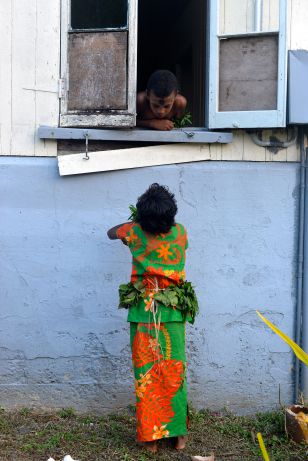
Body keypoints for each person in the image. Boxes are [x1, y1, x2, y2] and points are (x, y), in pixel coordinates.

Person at [107, 183, 197, 453]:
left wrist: (137, 221)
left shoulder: (133, 232)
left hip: (144, 311)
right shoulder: (180, 233)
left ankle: (151, 440)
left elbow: (111, 233)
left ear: (142, 217)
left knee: (146, 374)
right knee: (174, 374)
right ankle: (179, 437)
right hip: (172, 311)